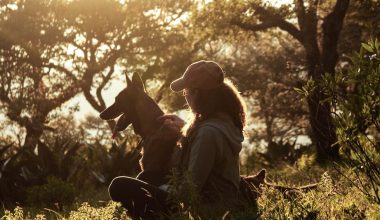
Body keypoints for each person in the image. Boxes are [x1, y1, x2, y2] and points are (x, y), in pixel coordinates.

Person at [108, 60, 247, 219]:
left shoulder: (207, 134)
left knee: (119, 185)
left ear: (198, 94)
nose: (185, 96)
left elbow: (190, 190)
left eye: (186, 91)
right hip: (219, 200)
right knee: (147, 178)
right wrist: (185, 128)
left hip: (209, 208)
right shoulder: (222, 122)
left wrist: (163, 189)